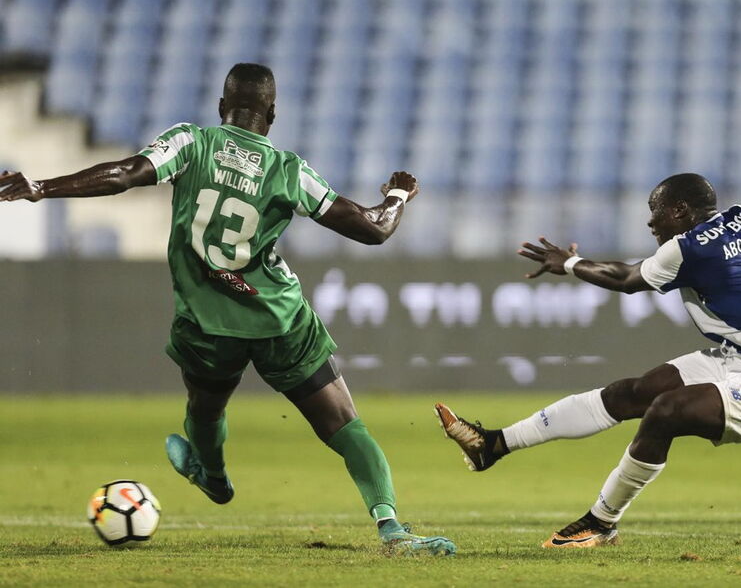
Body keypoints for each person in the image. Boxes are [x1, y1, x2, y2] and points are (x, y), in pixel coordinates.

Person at [1, 63, 455, 555]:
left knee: (204, 408)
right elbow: (375, 229)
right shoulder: (288, 170)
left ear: (222, 107)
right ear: (273, 114)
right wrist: (397, 194)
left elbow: (123, 175)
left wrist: (42, 187)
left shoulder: (191, 143)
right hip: (278, 317)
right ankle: (392, 529)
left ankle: (212, 476)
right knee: (344, 425)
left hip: (207, 321)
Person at [435, 172, 741, 549]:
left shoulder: (684, 248)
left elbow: (626, 279)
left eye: (656, 214)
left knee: (665, 410)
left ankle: (600, 524)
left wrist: (568, 264)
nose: (651, 225)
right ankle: (495, 444)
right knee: (633, 393)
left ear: (681, 210)